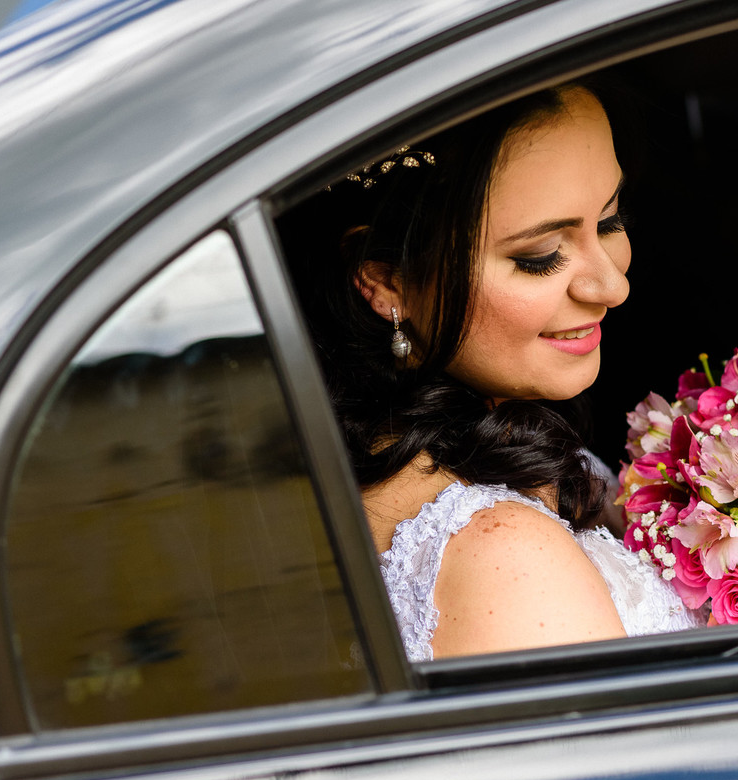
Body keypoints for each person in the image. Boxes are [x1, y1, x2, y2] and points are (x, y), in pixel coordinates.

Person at [286, 85, 702, 661]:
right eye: (539, 257)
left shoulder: (451, 436)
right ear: (386, 281)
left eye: (609, 221)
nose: (613, 286)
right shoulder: (506, 562)